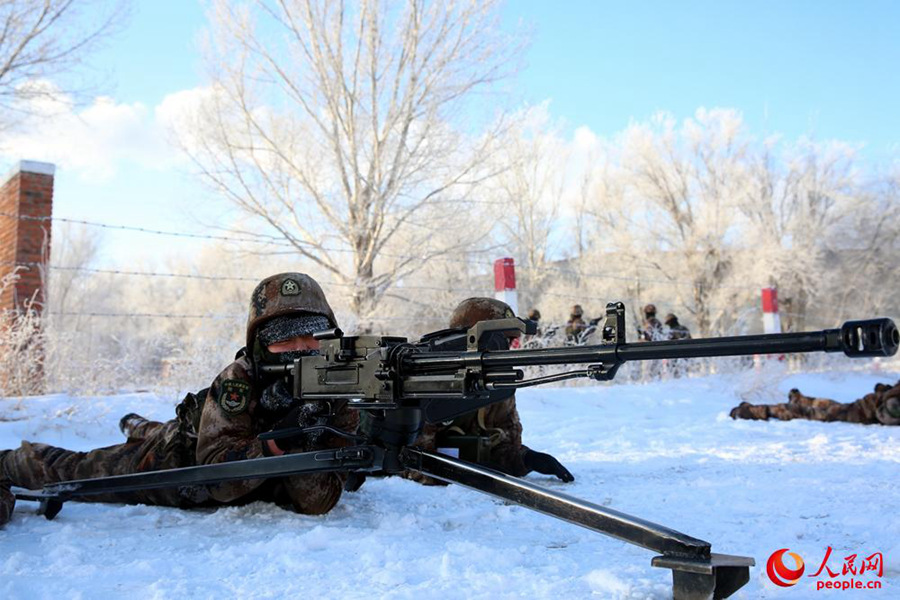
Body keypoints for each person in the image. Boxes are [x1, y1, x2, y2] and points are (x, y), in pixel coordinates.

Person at [0, 273, 358, 527]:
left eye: (312, 336)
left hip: (212, 435)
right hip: (178, 456)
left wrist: (307, 438)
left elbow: (317, 502)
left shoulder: (338, 383)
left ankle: (138, 425)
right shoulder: (240, 380)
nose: (300, 348)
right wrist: (278, 443)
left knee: (150, 428)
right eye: (283, 338)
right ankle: (10, 462)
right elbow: (219, 480)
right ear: (259, 344)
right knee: (78, 468)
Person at [404, 298, 574, 486]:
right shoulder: (426, 378)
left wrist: (526, 459)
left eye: (509, 340)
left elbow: (500, 447)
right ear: (468, 339)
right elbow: (408, 461)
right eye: (501, 340)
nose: (507, 347)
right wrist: (464, 474)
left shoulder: (496, 381)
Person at [730, 381, 900, 425]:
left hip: (863, 412)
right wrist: (885, 391)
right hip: (862, 407)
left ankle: (754, 412)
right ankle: (802, 400)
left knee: (805, 412)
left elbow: (890, 412)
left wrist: (884, 397)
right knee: (830, 405)